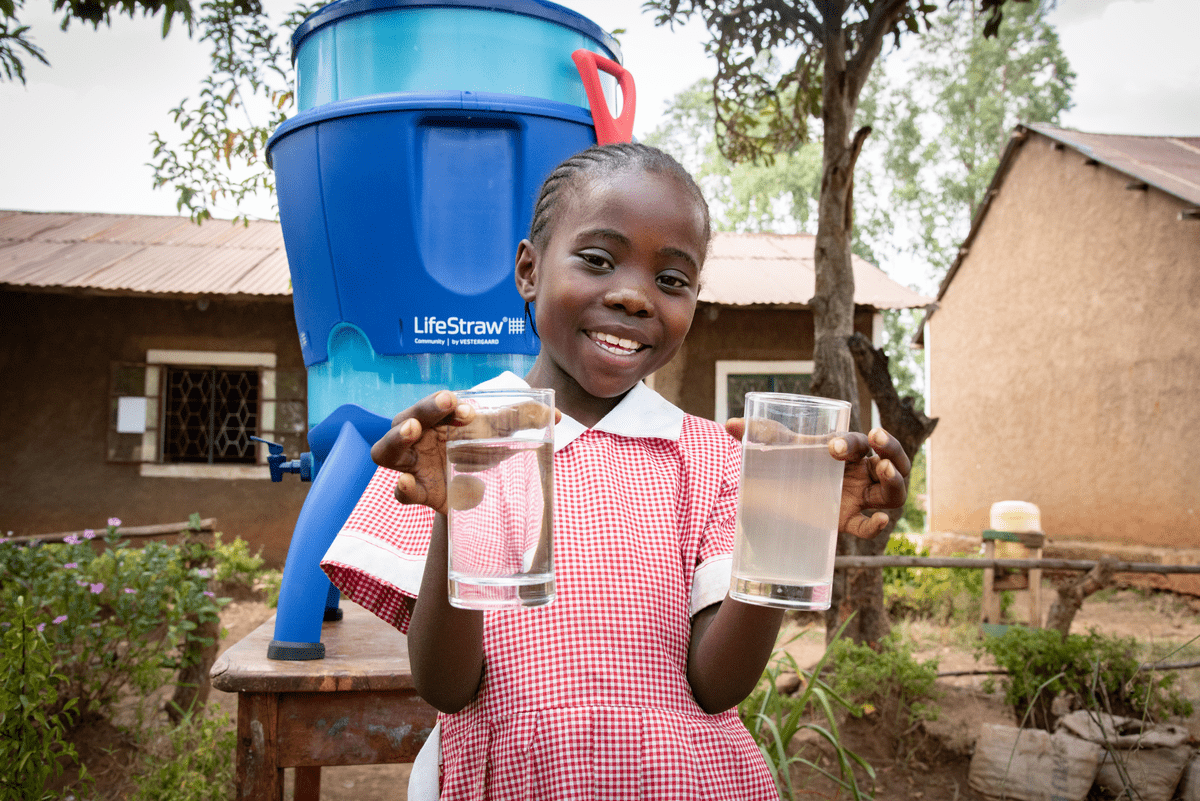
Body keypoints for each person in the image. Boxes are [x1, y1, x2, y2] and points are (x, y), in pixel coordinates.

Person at [321, 142, 911, 800]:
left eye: (672, 280)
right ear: (528, 269)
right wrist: (457, 515)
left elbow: (716, 686)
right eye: (599, 260)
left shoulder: (713, 457)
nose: (634, 296)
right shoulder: (467, 435)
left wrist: (784, 524)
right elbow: (447, 684)